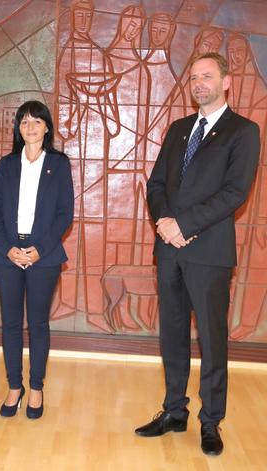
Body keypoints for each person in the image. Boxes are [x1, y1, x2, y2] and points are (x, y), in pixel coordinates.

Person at [139, 52, 260, 455]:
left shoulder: (244, 131)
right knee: (171, 335)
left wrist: (184, 226)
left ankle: (212, 422)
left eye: (207, 76)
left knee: (212, 340)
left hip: (208, 252)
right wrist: (165, 222)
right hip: (169, 250)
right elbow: (155, 185)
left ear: (226, 82)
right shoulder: (177, 130)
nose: (199, 84)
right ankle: (174, 411)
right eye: (194, 78)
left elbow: (235, 193)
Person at [0, 100, 74, 419]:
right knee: (10, 324)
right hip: (8, 253)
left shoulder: (59, 163)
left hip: (45, 255)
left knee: (37, 323)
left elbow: (66, 213)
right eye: (24, 121)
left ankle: (36, 387)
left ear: (47, 127)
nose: (31, 126)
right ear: (18, 129)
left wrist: (39, 248)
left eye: (37, 121)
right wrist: (7, 246)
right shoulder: (7, 164)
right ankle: (14, 386)